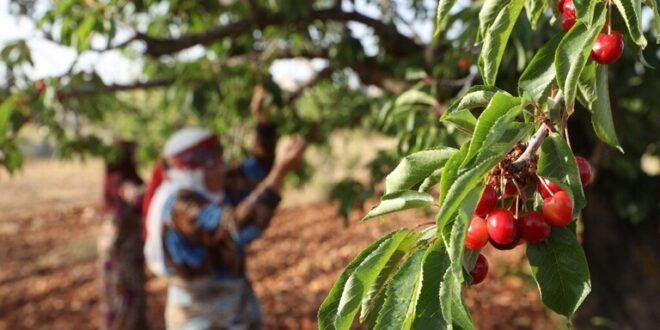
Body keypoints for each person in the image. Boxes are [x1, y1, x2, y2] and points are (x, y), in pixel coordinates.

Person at [142, 88, 306, 329]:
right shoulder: (180, 206)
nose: (223, 169)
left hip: (232, 308)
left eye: (221, 161)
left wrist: (263, 122)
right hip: (199, 315)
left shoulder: (210, 185)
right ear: (192, 172)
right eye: (213, 165)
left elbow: (257, 169)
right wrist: (280, 173)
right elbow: (237, 228)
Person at [98, 140, 147, 330]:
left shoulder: (113, 178)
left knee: (118, 295)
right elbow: (134, 194)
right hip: (123, 251)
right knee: (126, 297)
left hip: (116, 248)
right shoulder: (122, 179)